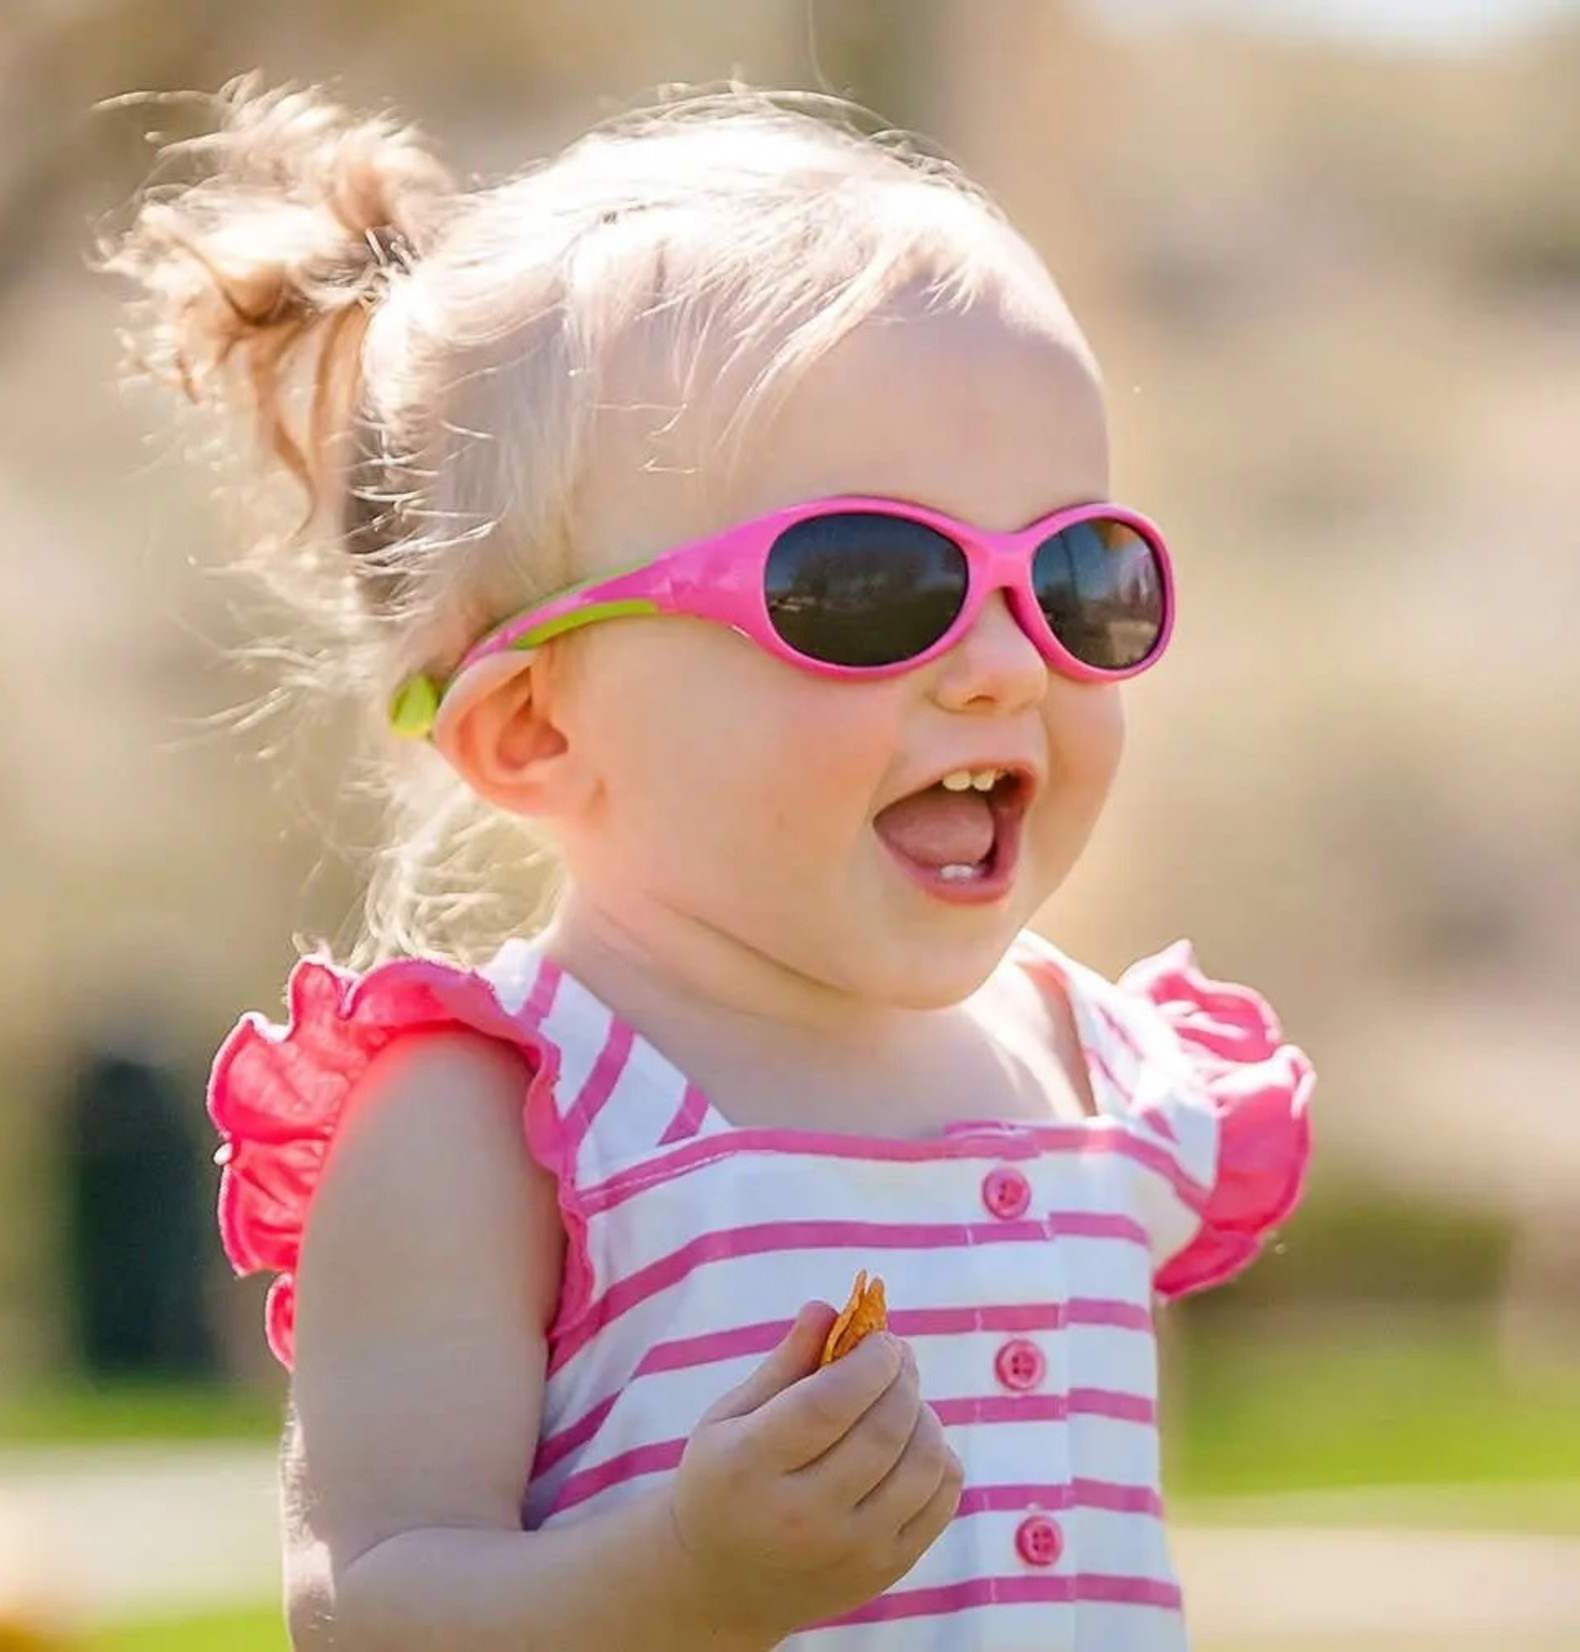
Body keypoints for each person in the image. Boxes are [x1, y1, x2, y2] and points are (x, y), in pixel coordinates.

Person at [108, 76, 1314, 1651]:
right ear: (536, 725)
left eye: (1076, 579)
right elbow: (369, 1605)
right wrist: (684, 1580)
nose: (1010, 669)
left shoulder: (1092, 1073)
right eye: (872, 584)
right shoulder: (506, 1120)